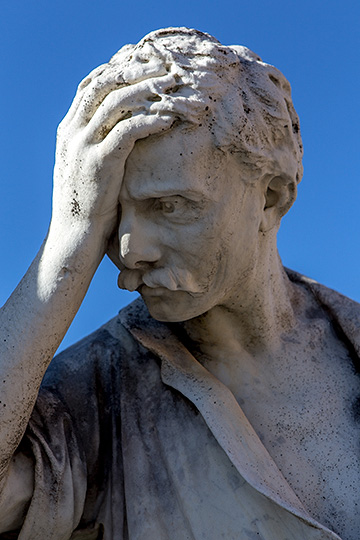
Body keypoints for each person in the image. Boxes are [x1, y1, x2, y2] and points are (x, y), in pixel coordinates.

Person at [0, 27, 358, 540]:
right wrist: (69, 241)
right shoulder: (93, 393)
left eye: (168, 206)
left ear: (272, 195)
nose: (128, 249)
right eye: (109, 217)